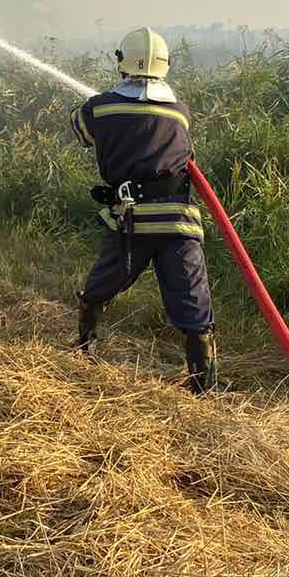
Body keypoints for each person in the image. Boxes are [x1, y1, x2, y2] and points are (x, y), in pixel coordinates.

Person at [70, 25, 221, 393]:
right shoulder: (180, 112)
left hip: (130, 221)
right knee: (191, 300)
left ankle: (85, 347)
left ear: (123, 63)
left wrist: (102, 109)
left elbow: (81, 131)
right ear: (164, 66)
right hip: (179, 225)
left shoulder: (100, 107)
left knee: (102, 284)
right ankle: (204, 385)